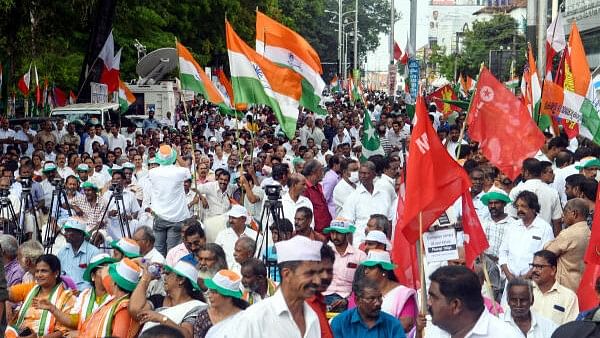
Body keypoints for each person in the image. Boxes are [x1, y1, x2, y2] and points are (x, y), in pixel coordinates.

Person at [234, 235, 323, 338]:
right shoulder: (243, 294)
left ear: (260, 278)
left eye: (247, 277)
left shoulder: (281, 292)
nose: (243, 281)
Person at [423, 265, 520, 338]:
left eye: (433, 298)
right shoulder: (432, 331)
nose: (428, 303)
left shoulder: (505, 335)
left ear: (455, 305)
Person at [130, 260, 206, 338]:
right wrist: (146, 278)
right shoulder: (158, 300)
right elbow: (136, 311)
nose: (164, 277)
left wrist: (160, 318)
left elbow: (186, 335)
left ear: (181, 280)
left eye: (168, 274)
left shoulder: (194, 307)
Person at [6, 254, 76, 338]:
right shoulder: (30, 288)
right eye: (37, 271)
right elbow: (5, 293)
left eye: (44, 271)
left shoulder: (67, 297)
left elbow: (62, 332)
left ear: (56, 273)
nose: (39, 275)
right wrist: (6, 302)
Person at [78, 258, 142, 338]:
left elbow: (119, 336)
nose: (107, 278)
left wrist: (130, 262)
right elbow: (105, 270)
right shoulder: (115, 296)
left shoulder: (123, 308)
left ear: (114, 282)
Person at [499, 191, 554, 284]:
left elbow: (546, 256)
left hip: (533, 281)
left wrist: (528, 276)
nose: (519, 209)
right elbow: (503, 251)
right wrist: (509, 275)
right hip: (510, 281)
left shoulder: (544, 228)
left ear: (533, 208)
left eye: (523, 206)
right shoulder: (512, 226)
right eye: (517, 206)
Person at [144, 145, 191, 255]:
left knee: (158, 250)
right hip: (177, 217)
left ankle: (157, 270)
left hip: (159, 216)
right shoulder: (180, 171)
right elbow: (188, 170)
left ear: (158, 158)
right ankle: (170, 272)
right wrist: (177, 154)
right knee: (172, 252)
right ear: (173, 157)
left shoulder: (152, 172)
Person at [361, 249, 417, 332]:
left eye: (371, 268)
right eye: (366, 268)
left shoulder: (404, 294)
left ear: (384, 270)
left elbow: (406, 325)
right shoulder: (361, 292)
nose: (366, 271)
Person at [331, 278, 406, 338]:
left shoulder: (393, 324)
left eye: (380, 297)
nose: (377, 303)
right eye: (371, 299)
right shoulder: (340, 323)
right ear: (357, 300)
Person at [544, 198, 591, 292]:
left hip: (566, 285)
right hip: (581, 283)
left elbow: (547, 253)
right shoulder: (588, 231)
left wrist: (548, 243)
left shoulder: (569, 234)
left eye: (565, 212)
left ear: (574, 213)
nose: (562, 215)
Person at [340, 161, 391, 244]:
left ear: (374, 175)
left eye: (366, 173)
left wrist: (388, 243)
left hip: (382, 244)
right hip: (361, 244)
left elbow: (389, 221)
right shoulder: (353, 197)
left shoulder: (384, 195)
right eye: (360, 173)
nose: (362, 176)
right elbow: (348, 225)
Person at [322, 219, 366, 312]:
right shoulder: (324, 253)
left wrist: (348, 301)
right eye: (332, 233)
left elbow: (363, 284)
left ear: (346, 234)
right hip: (324, 296)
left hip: (347, 299)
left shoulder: (359, 256)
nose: (334, 236)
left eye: (338, 233)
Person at [509, 158, 562, 235]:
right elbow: (557, 222)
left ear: (526, 172)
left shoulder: (516, 191)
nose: (521, 174)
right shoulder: (552, 192)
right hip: (545, 239)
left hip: (521, 237)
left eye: (522, 171)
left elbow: (512, 218)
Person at [192, 269, 248, 338]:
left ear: (229, 297)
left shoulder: (243, 318)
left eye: (214, 292)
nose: (209, 296)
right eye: (210, 291)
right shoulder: (203, 317)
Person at [530, 250, 579, 325]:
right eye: (533, 266)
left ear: (553, 270)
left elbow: (570, 330)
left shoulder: (568, 297)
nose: (534, 270)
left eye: (539, 267)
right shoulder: (525, 291)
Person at [56, 219, 101, 291]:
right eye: (66, 231)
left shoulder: (94, 252)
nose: (65, 234)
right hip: (64, 294)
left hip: (85, 295)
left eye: (69, 231)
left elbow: (96, 280)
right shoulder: (62, 251)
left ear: (80, 234)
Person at [214, 204, 259, 270]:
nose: (230, 221)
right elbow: (215, 255)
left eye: (234, 218)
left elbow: (258, 258)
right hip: (226, 274)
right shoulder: (222, 235)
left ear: (243, 219)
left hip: (248, 274)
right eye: (230, 217)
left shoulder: (256, 236)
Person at [306, 244, 335, 338]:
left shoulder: (318, 301)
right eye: (320, 270)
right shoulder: (299, 305)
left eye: (329, 271)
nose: (325, 276)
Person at [302, 159, 331, 233]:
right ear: (313, 172)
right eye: (321, 170)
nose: (323, 173)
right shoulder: (304, 189)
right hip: (316, 232)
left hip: (326, 230)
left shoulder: (318, 186)